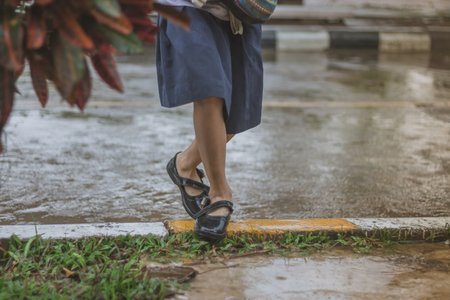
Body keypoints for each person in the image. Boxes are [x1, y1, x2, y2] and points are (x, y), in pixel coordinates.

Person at [156, 0, 263, 240]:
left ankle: (183, 164)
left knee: (237, 112)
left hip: (242, 12)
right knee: (209, 90)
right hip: (190, 7)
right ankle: (220, 192)